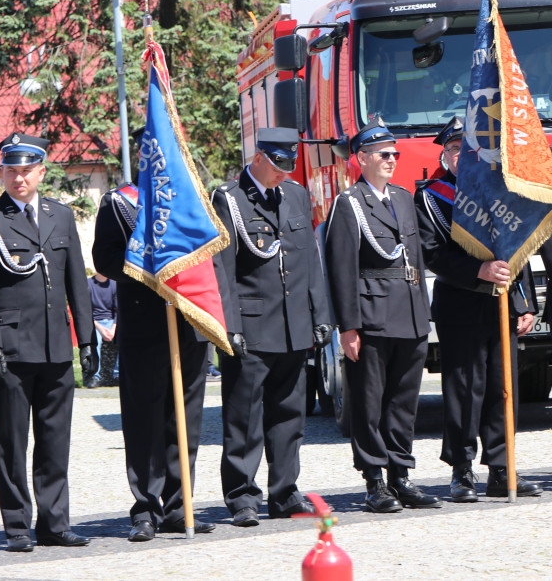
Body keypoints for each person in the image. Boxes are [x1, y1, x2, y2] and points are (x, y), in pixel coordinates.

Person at [0, 133, 94, 552]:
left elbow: (77, 278)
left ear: (41, 172)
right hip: (11, 348)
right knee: (12, 442)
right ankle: (18, 526)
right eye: (10, 170)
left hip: (57, 345)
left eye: (25, 170)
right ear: (2, 172)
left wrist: (87, 339)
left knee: (55, 439)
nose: (18, 178)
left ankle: (55, 523)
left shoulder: (59, 215)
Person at [211, 127, 332, 527]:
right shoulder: (228, 198)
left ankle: (284, 492)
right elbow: (223, 269)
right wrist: (229, 325)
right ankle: (243, 497)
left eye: (288, 165)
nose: (284, 173)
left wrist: (321, 315)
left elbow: (310, 263)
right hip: (252, 325)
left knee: (289, 415)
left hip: (293, 325)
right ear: (259, 157)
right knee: (244, 417)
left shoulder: (295, 195)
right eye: (278, 165)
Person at [92, 181, 226, 541]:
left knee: (184, 419)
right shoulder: (118, 201)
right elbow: (103, 259)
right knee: (143, 421)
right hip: (144, 323)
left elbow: (212, 252)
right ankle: (146, 509)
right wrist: (148, 262)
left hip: (188, 319)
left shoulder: (191, 194)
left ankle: (180, 507)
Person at [415, 118, 540, 500]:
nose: (460, 156)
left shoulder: (497, 189)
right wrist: (478, 271)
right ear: (444, 155)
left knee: (505, 389)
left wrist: (524, 303)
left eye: (466, 149)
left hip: (501, 303)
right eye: (453, 150)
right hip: (460, 303)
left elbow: (519, 247)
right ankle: (461, 471)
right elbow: (433, 254)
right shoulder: (431, 196)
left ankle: (501, 468)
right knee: (464, 390)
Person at [325, 120, 439, 513]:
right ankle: (375, 480)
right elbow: (341, 269)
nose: (392, 160)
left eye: (395, 154)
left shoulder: (404, 198)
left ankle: (400, 475)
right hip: (371, 315)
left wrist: (423, 315)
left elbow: (418, 260)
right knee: (369, 403)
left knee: (404, 402)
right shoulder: (349, 203)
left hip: (409, 315)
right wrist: (348, 326)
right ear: (362, 158)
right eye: (384, 154)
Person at [85, 272, 116, 388]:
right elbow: (86, 311)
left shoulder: (114, 284)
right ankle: (95, 377)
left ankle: (117, 375)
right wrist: (100, 328)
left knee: (121, 339)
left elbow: (118, 311)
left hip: (111, 322)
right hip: (95, 322)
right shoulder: (88, 284)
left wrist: (113, 329)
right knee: (95, 343)